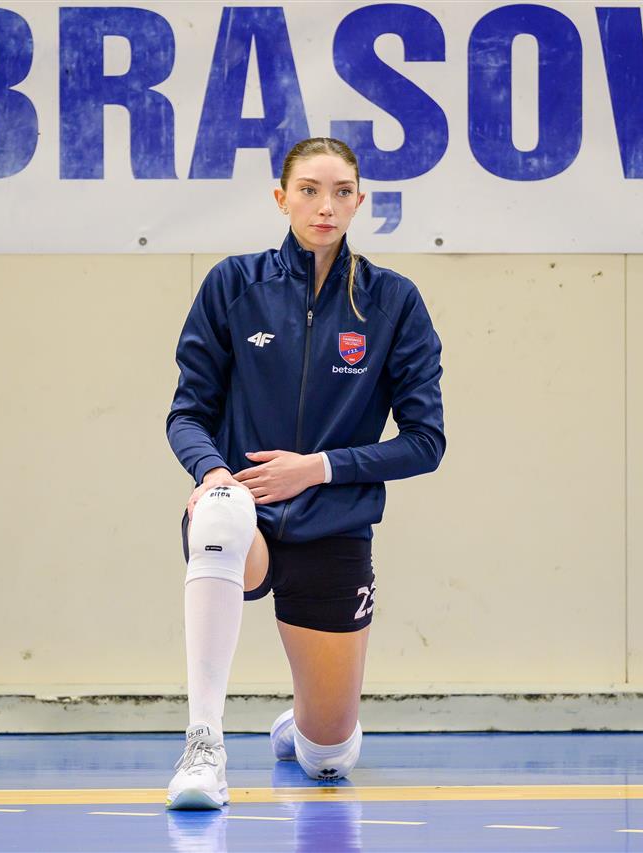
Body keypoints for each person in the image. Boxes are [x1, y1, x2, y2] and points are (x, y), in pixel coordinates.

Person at [164, 137, 446, 809]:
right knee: (218, 512)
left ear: (360, 201)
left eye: (342, 192)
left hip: (334, 527)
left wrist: (317, 468)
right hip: (247, 519)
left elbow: (425, 442)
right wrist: (212, 471)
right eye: (310, 191)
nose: (326, 206)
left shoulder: (392, 301)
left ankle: (304, 729)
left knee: (328, 759)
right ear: (281, 198)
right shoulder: (234, 285)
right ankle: (203, 746)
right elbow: (187, 413)